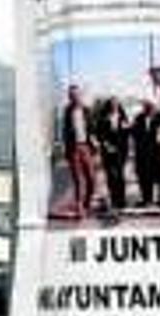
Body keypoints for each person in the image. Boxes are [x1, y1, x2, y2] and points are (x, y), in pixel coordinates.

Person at [61, 85, 97, 218]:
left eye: (76, 94)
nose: (74, 97)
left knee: (92, 179)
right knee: (77, 180)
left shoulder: (86, 110)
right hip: (73, 148)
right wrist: (66, 150)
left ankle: (87, 203)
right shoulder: (67, 111)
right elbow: (65, 132)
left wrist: (94, 144)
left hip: (85, 146)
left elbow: (91, 128)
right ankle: (79, 207)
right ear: (69, 97)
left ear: (80, 95)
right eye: (71, 95)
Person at [96, 97, 130, 211]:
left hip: (121, 151)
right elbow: (99, 134)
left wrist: (127, 128)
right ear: (109, 105)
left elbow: (126, 134)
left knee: (120, 176)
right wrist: (106, 145)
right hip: (108, 151)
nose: (114, 105)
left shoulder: (123, 117)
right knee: (111, 176)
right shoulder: (103, 118)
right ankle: (114, 199)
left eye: (116, 103)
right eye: (112, 104)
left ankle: (122, 200)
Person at [132, 101, 158, 207]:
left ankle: (151, 199)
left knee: (151, 177)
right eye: (147, 107)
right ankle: (145, 198)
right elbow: (134, 133)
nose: (149, 109)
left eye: (151, 108)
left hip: (154, 153)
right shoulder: (138, 118)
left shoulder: (158, 119)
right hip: (141, 152)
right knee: (142, 176)